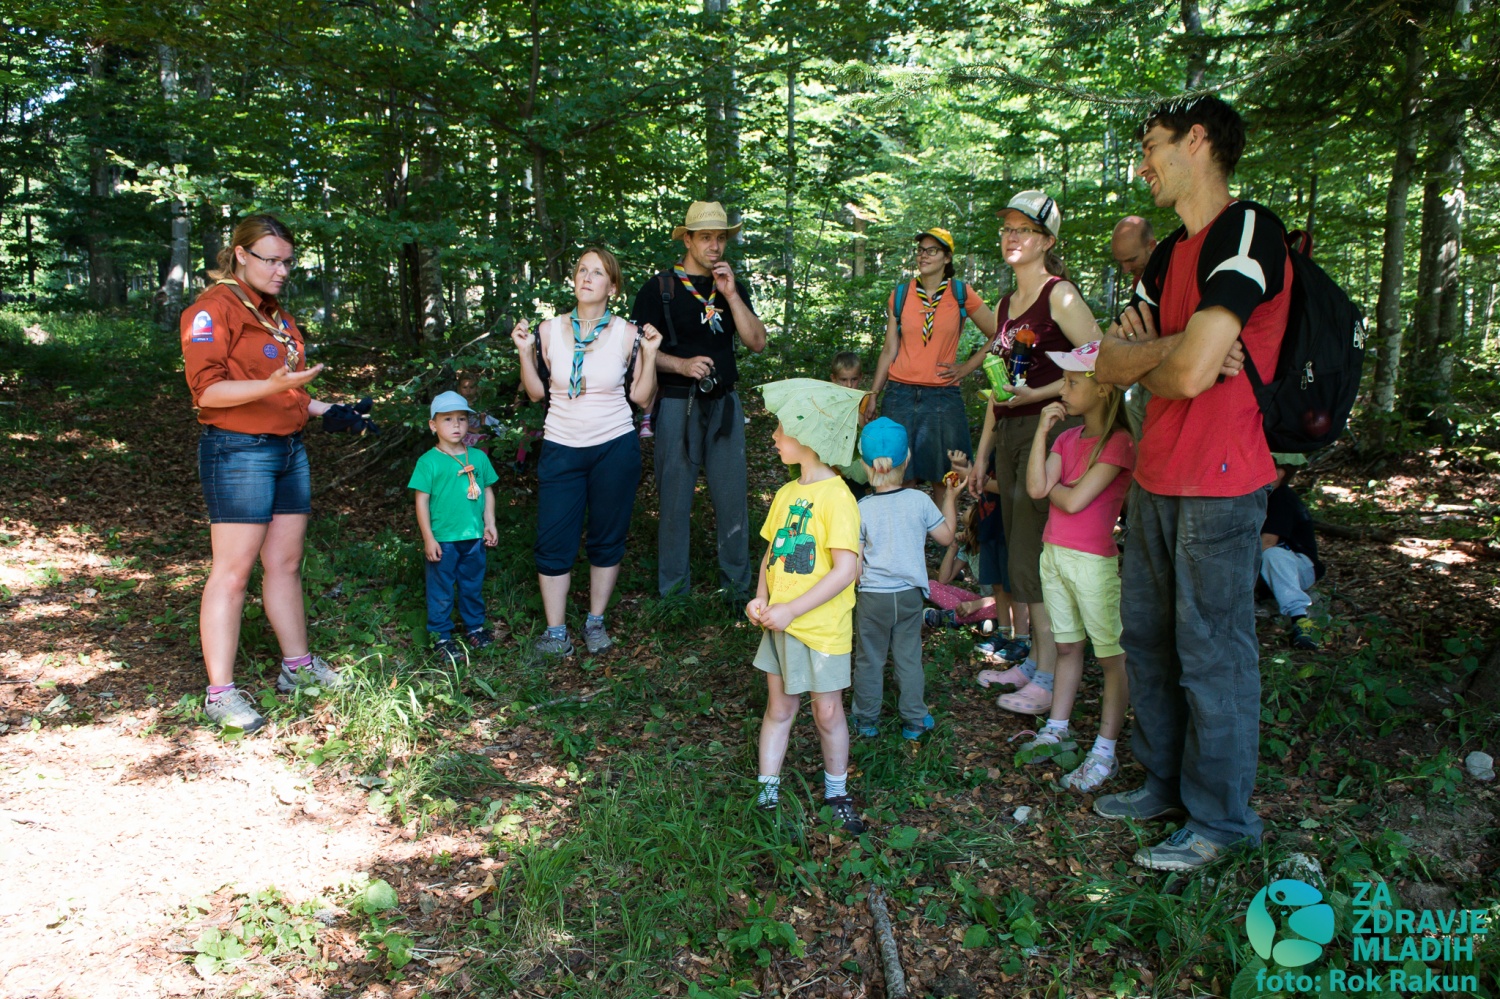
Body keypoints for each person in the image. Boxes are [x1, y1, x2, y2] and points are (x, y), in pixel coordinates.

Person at [1093, 95, 1289, 871]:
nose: (1143, 162)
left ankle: (1221, 820)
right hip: (1157, 472)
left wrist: (1171, 355)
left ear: (1197, 141)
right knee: (1148, 636)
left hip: (1223, 476)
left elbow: (1194, 370)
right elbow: (1110, 361)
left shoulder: (1248, 232)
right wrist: (1178, 346)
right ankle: (1166, 784)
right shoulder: (1172, 253)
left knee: (1212, 649)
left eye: (1152, 145)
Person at [181, 214, 347, 733]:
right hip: (238, 451)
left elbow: (285, 385)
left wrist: (329, 409)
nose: (281, 270)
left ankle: (297, 668)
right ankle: (220, 694)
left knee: (286, 562)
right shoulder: (211, 310)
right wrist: (272, 388)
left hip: (287, 449)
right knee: (232, 573)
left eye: (287, 262)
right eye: (271, 260)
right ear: (240, 255)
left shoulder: (273, 312)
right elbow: (207, 392)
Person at [967, 191, 1099, 716]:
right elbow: (1001, 390)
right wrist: (981, 456)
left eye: (1024, 230)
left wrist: (1038, 398)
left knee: (1036, 557)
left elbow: (1094, 364)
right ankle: (1037, 662)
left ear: (1046, 241)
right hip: (1011, 435)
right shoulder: (1004, 306)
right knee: (1021, 557)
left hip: (1050, 435)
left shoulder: (1058, 295)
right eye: (1007, 229)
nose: (1012, 238)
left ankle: (1048, 675)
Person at [515, 248, 662, 656]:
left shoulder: (629, 335)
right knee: (553, 537)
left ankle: (595, 622)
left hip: (613, 445)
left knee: (606, 535)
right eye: (582, 269)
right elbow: (535, 392)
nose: (587, 277)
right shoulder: (547, 330)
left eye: (598, 273)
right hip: (561, 445)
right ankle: (555, 631)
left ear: (612, 287)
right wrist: (525, 353)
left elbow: (642, 398)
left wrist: (650, 356)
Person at [631, 201, 766, 599]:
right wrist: (681, 364)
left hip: (723, 404)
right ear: (687, 239)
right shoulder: (659, 289)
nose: (715, 246)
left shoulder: (730, 285)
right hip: (676, 403)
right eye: (706, 237)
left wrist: (731, 295)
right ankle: (674, 594)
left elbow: (756, 343)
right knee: (673, 501)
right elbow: (638, 350)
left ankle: (738, 589)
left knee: (731, 499)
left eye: (721, 237)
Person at [747, 381, 865, 834]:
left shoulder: (838, 497)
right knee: (779, 707)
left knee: (827, 711)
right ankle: (766, 795)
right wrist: (762, 596)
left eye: (780, 429)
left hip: (820, 630)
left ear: (810, 435)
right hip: (781, 624)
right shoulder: (785, 494)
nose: (774, 437)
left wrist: (793, 609)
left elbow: (845, 571)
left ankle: (836, 791)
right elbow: (771, 553)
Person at [1017, 342, 1134, 794]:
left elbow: (1075, 498)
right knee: (1067, 647)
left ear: (1103, 388)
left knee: (1110, 657)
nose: (1062, 389)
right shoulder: (1067, 438)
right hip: (1055, 556)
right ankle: (1057, 727)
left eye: (1071, 381)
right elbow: (1035, 488)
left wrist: (1055, 489)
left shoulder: (1118, 443)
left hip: (1094, 564)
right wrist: (1042, 434)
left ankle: (1105, 749)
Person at [864, 228, 999, 496]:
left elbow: (998, 334)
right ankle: (907, 538)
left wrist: (966, 367)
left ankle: (943, 536)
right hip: (899, 394)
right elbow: (889, 349)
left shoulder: (961, 293)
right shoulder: (901, 295)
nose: (924, 256)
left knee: (945, 477)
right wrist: (874, 393)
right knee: (899, 476)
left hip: (942, 396)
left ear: (947, 258)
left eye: (932, 251)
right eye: (921, 250)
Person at [849, 418, 958, 741]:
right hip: (910, 597)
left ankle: (865, 721)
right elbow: (946, 536)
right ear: (907, 459)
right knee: (909, 656)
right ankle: (914, 719)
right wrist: (950, 497)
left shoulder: (861, 508)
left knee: (869, 659)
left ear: (864, 466)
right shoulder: (920, 501)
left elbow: (854, 567)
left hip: (872, 598)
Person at [409, 392, 499, 658]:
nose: (457, 425)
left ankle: (475, 627)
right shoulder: (428, 462)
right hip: (443, 538)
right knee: (441, 588)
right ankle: (441, 636)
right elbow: (421, 502)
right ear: (433, 425)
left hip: (473, 536)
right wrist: (428, 538)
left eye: (462, 418)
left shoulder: (478, 457)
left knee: (472, 584)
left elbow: (488, 490)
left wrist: (489, 523)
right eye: (447, 419)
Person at [1261, 456, 1324, 650]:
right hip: (1269, 571)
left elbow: (1267, 543)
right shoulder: (1258, 498)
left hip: (1298, 566)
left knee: (1272, 555)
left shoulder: (1282, 498)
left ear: (1279, 474)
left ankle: (1300, 621)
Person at [1112, 217, 1160, 439]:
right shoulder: (1139, 280)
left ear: (1152, 246)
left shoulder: (1167, 274)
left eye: (1131, 259)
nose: (1126, 268)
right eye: (1120, 262)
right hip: (1140, 374)